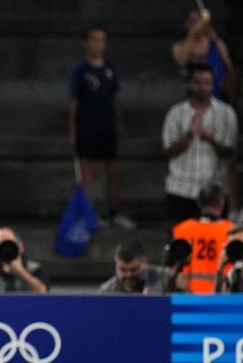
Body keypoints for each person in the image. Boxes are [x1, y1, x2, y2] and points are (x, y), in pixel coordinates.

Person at [68, 26, 133, 229]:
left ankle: (113, 211)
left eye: (102, 40)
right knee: (88, 172)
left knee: (114, 170)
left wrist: (119, 123)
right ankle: (90, 215)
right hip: (87, 126)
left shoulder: (110, 68)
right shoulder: (80, 70)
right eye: (94, 39)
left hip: (107, 127)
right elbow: (74, 102)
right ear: (86, 43)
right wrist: (73, 130)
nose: (98, 44)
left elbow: (115, 98)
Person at [162, 63, 238, 225]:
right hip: (181, 188)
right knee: (179, 244)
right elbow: (168, 151)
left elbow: (230, 152)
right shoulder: (175, 114)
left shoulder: (226, 114)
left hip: (214, 191)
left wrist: (208, 138)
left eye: (207, 83)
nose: (203, 87)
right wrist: (189, 135)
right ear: (189, 83)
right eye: (198, 83)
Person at [172, 184, 234, 294]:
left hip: (188, 296)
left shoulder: (181, 229)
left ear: (198, 203)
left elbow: (173, 267)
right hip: (222, 296)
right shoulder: (232, 231)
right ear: (221, 204)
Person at [172, 9, 235, 100]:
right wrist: (192, 34)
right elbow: (181, 62)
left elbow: (229, 67)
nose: (197, 25)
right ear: (186, 24)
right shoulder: (179, 46)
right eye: (192, 22)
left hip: (218, 94)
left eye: (199, 21)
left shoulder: (215, 44)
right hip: (194, 96)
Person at [99, 240, 171, 294]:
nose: (129, 275)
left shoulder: (168, 278)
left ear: (145, 262)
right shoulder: (106, 292)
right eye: (123, 270)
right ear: (116, 265)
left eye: (134, 270)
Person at [215, 224, 243, 293]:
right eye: (233, 245)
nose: (237, 250)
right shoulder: (231, 274)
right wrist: (220, 269)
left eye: (240, 244)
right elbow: (217, 300)